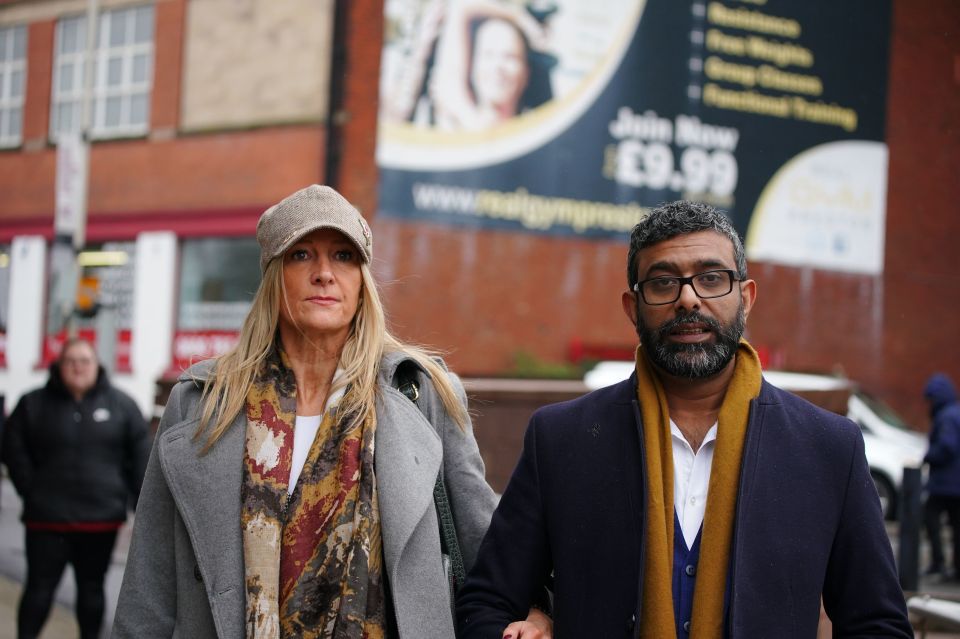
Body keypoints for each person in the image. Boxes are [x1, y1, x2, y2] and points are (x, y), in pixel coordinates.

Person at [456, 200, 912, 638]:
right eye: (662, 283)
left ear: (746, 297)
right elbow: (488, 602)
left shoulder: (827, 448)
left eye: (712, 278)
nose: (689, 300)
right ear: (633, 308)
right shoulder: (562, 439)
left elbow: (877, 625)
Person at [112, 185, 551, 638]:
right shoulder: (203, 401)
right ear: (273, 274)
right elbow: (151, 581)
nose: (324, 273)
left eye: (343, 256)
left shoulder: (420, 391)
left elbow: (485, 535)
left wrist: (536, 608)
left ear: (362, 280)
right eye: (302, 255)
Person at [1, 338, 150, 639]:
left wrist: (140, 508)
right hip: (46, 520)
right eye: (71, 361)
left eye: (84, 361)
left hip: (100, 521)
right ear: (59, 366)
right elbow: (12, 450)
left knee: (92, 592)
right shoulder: (33, 404)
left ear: (97, 366)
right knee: (39, 590)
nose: (78, 367)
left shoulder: (122, 405)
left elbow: (141, 459)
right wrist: (31, 489)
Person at [382, 0, 554, 130]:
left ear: (526, 74)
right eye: (488, 55)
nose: (498, 67)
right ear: (472, 67)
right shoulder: (462, 111)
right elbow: (461, 7)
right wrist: (520, 18)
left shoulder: (531, 133)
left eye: (510, 57)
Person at [922, 372, 960, 579]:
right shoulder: (956, 412)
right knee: (956, 527)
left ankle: (938, 563)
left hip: (946, 484)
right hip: (954, 485)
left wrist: (929, 455)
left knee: (930, 519)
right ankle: (956, 569)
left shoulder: (946, 416)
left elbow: (947, 446)